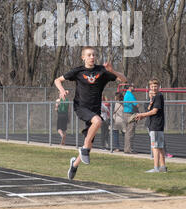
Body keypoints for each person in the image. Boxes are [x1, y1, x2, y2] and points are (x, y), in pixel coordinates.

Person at [54, 46, 127, 180]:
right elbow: (57, 80)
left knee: (89, 145)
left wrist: (113, 71)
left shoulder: (102, 71)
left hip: (94, 108)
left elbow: (124, 80)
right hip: (81, 107)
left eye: (93, 55)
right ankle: (84, 150)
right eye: (89, 55)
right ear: (83, 58)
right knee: (98, 121)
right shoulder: (78, 71)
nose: (92, 57)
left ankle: (74, 164)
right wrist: (62, 90)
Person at [134, 78, 167, 173]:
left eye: (155, 86)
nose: (154, 88)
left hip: (156, 125)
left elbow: (154, 111)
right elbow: (149, 109)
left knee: (155, 147)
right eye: (152, 86)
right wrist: (143, 116)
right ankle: (163, 167)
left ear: (159, 87)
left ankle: (156, 168)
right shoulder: (154, 98)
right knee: (160, 147)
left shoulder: (158, 96)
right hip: (156, 124)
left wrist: (141, 115)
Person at [123, 83, 139, 154]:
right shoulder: (129, 94)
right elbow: (137, 105)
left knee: (128, 132)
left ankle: (127, 149)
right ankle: (129, 149)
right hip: (129, 114)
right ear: (129, 87)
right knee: (130, 132)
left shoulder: (127, 94)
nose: (134, 87)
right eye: (133, 86)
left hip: (127, 114)